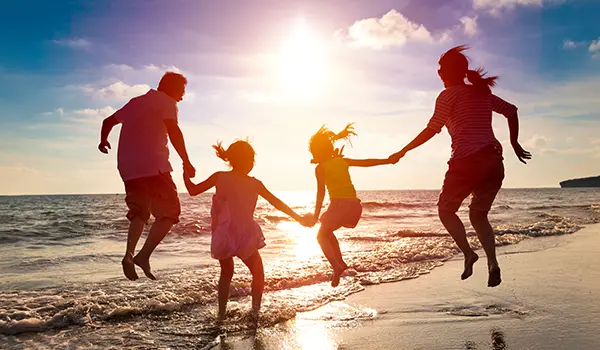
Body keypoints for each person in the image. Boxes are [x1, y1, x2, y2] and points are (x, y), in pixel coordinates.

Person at [388, 46, 531, 287]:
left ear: (452, 72)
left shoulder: (448, 96)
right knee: (478, 215)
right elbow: (511, 111)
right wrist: (514, 143)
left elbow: (432, 129)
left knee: (446, 210)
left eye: (442, 68)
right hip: (494, 162)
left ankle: (468, 253)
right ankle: (492, 263)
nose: (439, 72)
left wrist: (403, 150)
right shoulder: (481, 93)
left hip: (467, 162)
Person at [183, 140, 312, 323]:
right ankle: (255, 312)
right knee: (257, 271)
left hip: (224, 234)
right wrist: (298, 218)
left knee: (227, 273)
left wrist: (185, 175)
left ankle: (221, 315)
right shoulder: (254, 183)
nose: (253, 163)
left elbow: (193, 190)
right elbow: (277, 203)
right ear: (246, 160)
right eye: (251, 159)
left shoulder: (219, 177)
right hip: (244, 235)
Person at [98, 72, 196, 281]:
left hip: (128, 169)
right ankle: (143, 256)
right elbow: (174, 131)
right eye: (181, 91)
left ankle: (128, 255)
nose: (182, 97)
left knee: (140, 213)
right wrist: (186, 161)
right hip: (154, 166)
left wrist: (103, 141)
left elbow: (107, 121)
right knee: (170, 213)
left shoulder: (135, 102)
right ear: (172, 88)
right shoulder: (167, 102)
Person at [308, 123, 392, 287]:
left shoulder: (320, 168)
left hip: (339, 205)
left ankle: (336, 265)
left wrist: (315, 215)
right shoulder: (342, 161)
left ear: (317, 152)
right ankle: (340, 263)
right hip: (354, 206)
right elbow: (366, 162)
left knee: (320, 236)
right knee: (327, 232)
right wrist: (387, 161)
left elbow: (320, 194)